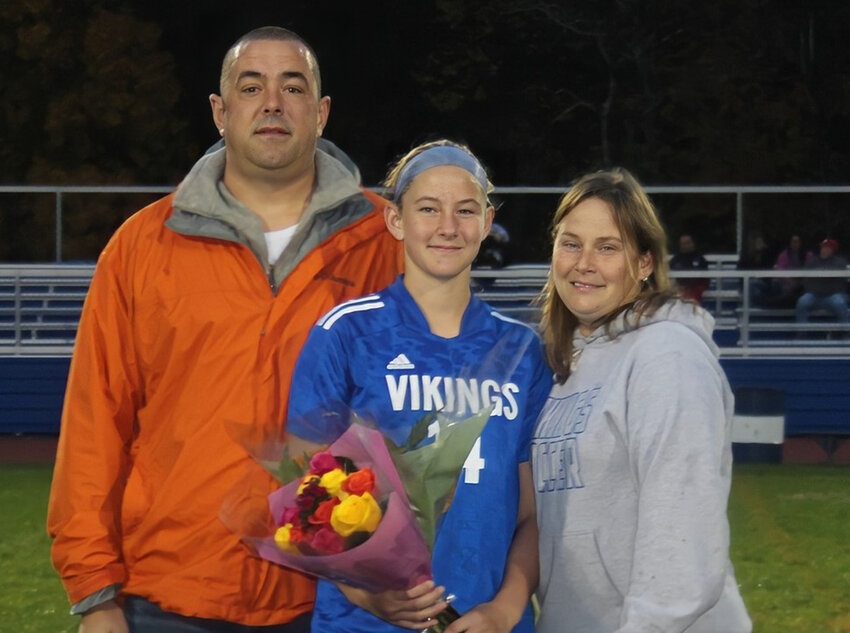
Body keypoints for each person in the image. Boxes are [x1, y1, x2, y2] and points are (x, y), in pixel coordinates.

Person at [46, 26, 403, 633]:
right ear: (220, 111)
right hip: (169, 593)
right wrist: (95, 592)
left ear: (320, 113)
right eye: (251, 86)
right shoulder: (142, 244)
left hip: (333, 597)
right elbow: (94, 422)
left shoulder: (384, 240)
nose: (272, 103)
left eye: (293, 87)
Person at [285, 140, 552, 633]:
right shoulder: (346, 334)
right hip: (363, 624)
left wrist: (505, 608)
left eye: (465, 211)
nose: (448, 227)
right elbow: (303, 498)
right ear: (395, 220)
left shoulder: (521, 350)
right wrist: (368, 594)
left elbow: (534, 515)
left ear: (487, 222)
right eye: (428, 209)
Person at [531, 168, 752, 633]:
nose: (584, 262)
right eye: (571, 243)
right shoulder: (562, 366)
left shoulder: (667, 355)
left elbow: (683, 524)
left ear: (645, 262)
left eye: (607, 247)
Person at [794, 238, 850, 326]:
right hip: (814, 295)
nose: (824, 250)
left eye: (827, 248)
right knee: (802, 302)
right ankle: (801, 334)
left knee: (840, 302)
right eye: (823, 247)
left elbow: (840, 283)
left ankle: (846, 333)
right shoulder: (812, 262)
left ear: (833, 250)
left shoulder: (840, 263)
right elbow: (806, 281)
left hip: (833, 295)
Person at [773, 234, 812, 308]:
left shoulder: (808, 255)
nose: (795, 244)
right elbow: (780, 270)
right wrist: (791, 282)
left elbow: (811, 270)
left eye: (797, 241)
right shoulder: (784, 255)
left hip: (803, 284)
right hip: (787, 283)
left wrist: (801, 283)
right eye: (793, 241)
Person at [669, 232, 709, 302]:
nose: (685, 246)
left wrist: (689, 287)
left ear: (693, 243)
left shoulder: (700, 259)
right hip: (678, 288)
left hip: (694, 289)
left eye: (687, 243)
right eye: (682, 244)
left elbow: (704, 281)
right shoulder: (676, 259)